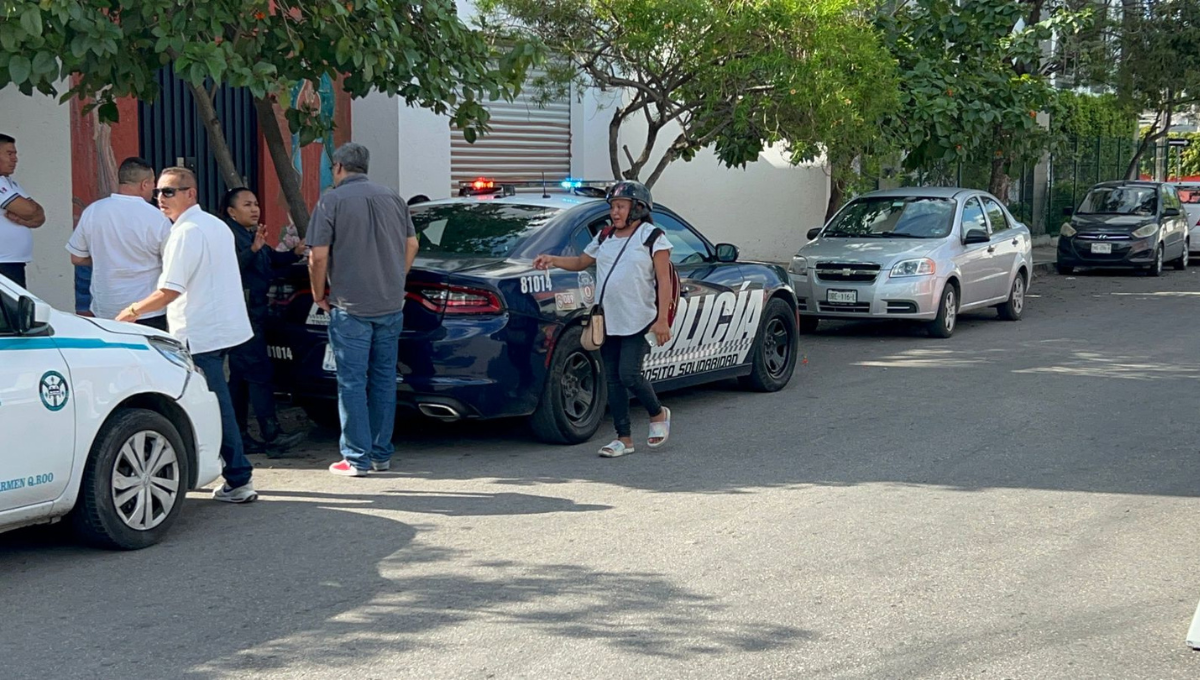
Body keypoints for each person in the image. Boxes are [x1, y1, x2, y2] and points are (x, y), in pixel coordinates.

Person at [115, 167, 257, 504]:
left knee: (211, 403)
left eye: (170, 192)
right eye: (159, 192)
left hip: (198, 332)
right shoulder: (214, 225)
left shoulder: (186, 232)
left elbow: (169, 290)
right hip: (220, 329)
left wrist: (131, 312)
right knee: (214, 400)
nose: (161, 199)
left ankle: (238, 476)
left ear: (190, 193)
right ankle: (235, 474)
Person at [533, 180, 673, 458]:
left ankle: (658, 414)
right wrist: (553, 259)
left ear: (638, 208)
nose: (615, 212)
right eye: (612, 207)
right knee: (612, 380)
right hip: (608, 319)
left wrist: (662, 320)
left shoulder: (653, 237)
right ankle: (624, 438)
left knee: (629, 374)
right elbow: (581, 263)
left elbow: (664, 280)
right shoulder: (605, 236)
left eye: (621, 206)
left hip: (640, 318)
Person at [308, 143, 418, 477]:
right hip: (389, 303)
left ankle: (356, 457)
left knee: (352, 382)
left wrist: (318, 294)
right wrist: (397, 277)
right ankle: (381, 454)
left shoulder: (332, 200)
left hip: (350, 305)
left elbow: (318, 255)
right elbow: (412, 244)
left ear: (338, 166)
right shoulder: (393, 198)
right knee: (384, 379)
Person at [223, 187, 306, 456]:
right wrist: (251, 250)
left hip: (256, 314)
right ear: (232, 212)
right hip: (242, 315)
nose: (254, 209)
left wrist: (295, 253)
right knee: (258, 374)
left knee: (240, 378)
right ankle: (270, 433)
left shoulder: (251, 234)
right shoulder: (228, 236)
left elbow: (271, 260)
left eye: (256, 203)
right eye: (247, 205)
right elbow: (228, 269)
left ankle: (240, 435)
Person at [65, 157, 172, 329]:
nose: (154, 189)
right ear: (144, 184)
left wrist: (104, 257)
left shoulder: (93, 211)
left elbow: (77, 258)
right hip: (146, 309)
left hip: (105, 308)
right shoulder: (157, 218)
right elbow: (171, 260)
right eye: (153, 183)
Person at [0, 133, 47, 288]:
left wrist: (29, 215)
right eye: (9, 154)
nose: (15, 159)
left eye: (15, 154)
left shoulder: (9, 182)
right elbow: (28, 210)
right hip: (3, 265)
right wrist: (28, 215)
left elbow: (39, 216)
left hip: (12, 263)